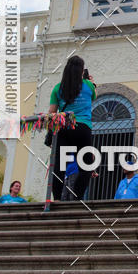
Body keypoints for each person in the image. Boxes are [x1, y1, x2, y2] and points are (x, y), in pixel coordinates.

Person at [48, 56, 97, 201]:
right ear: (82, 70)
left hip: (64, 127)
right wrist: (93, 83)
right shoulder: (88, 85)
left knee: (59, 165)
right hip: (82, 128)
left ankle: (56, 198)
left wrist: (51, 133)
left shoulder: (58, 88)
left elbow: (52, 113)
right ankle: (77, 196)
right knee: (87, 164)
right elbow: (93, 97)